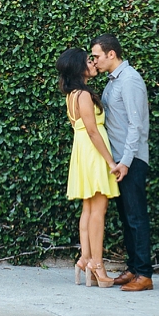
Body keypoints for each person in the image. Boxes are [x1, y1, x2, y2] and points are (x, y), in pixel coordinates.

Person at [89, 34, 153, 291]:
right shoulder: (112, 82)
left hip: (132, 160)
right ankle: (134, 269)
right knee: (127, 217)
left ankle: (145, 275)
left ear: (111, 54)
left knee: (136, 217)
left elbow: (136, 125)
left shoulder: (130, 80)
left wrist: (125, 161)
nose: (94, 60)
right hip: (118, 162)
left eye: (96, 56)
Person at [57, 47, 118, 287]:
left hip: (83, 151)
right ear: (79, 68)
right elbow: (93, 131)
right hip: (93, 153)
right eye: (88, 61)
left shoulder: (72, 95)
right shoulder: (82, 95)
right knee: (98, 211)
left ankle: (85, 259)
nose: (93, 63)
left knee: (88, 209)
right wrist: (110, 161)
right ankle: (97, 264)